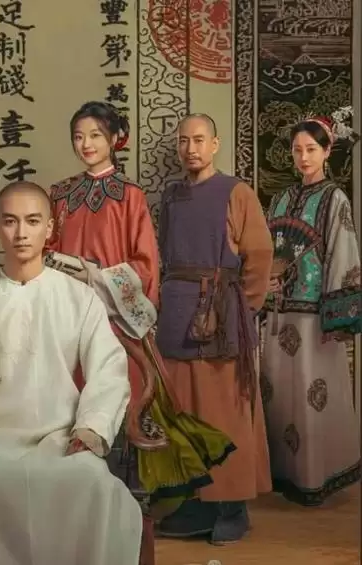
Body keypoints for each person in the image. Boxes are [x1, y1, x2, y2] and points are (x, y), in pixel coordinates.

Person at [0, 180, 142, 565]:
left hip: (60, 438)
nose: (21, 233)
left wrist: (92, 427)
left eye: (33, 221)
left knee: (93, 481)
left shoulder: (78, 297)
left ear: (49, 228)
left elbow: (109, 367)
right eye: (10, 221)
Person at [47, 101, 236, 513]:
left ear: (116, 139)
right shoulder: (59, 195)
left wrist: (97, 276)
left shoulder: (129, 197)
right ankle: (68, 503)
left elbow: (147, 264)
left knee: (122, 404)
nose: (86, 144)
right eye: (78, 137)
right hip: (65, 320)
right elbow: (46, 251)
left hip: (115, 322)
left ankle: (120, 504)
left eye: (96, 136)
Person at [155, 113, 274, 544]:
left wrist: (242, 310)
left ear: (215, 144)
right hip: (176, 312)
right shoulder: (171, 196)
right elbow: (165, 253)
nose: (191, 148)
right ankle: (197, 501)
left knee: (225, 412)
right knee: (184, 413)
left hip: (222, 315)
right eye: (183, 140)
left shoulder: (235, 191)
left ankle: (232, 505)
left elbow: (259, 254)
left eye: (199, 139)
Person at [261, 116, 361, 506]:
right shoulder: (280, 199)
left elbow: (344, 255)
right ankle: (282, 474)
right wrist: (266, 287)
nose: (303, 157)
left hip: (315, 316)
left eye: (311, 149)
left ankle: (316, 478)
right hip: (280, 312)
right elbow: (267, 251)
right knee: (279, 393)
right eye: (297, 150)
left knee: (312, 395)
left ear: (327, 151)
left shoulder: (336, 199)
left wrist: (336, 315)